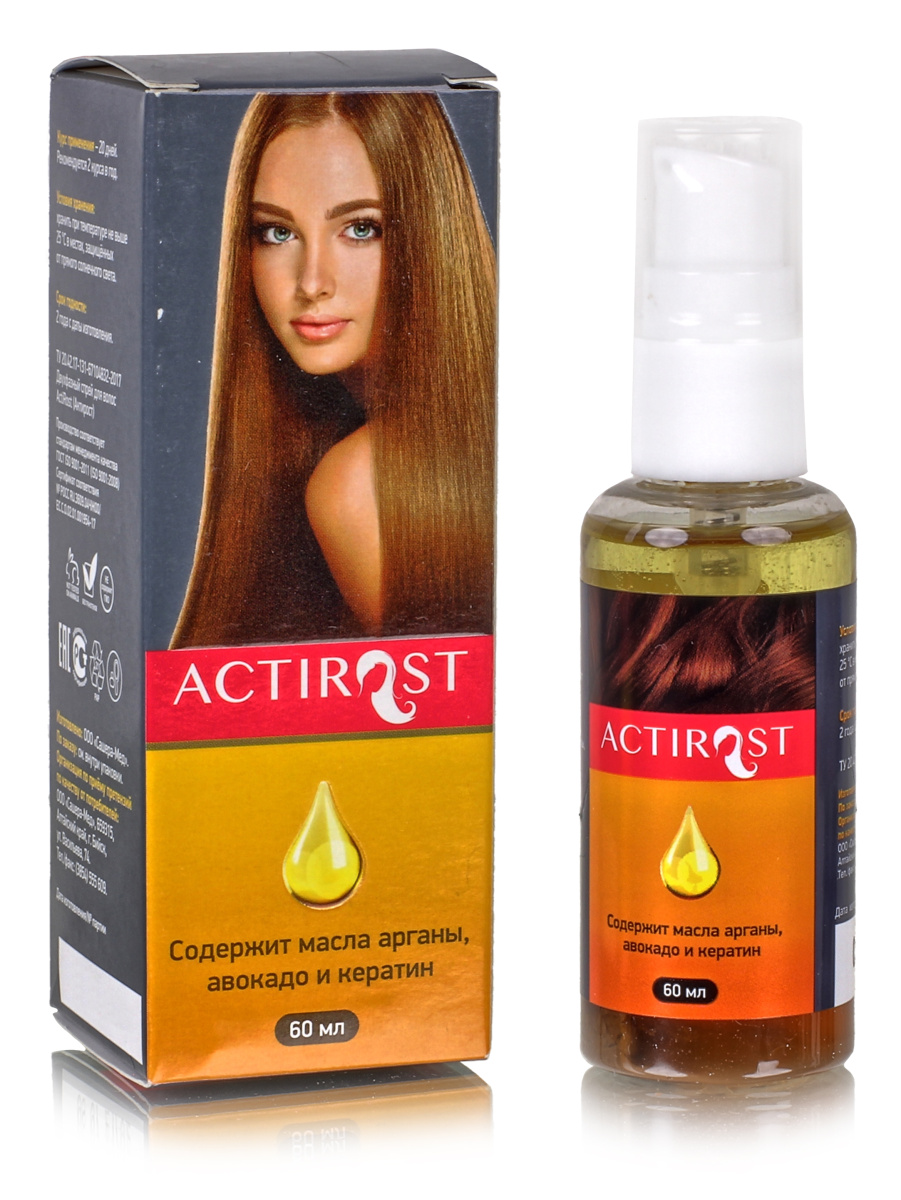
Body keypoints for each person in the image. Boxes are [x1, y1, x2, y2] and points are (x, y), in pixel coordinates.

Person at [171, 91, 496, 649]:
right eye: (277, 233)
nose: (312, 282)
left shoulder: (358, 486)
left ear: (434, 233)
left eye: (361, 228)